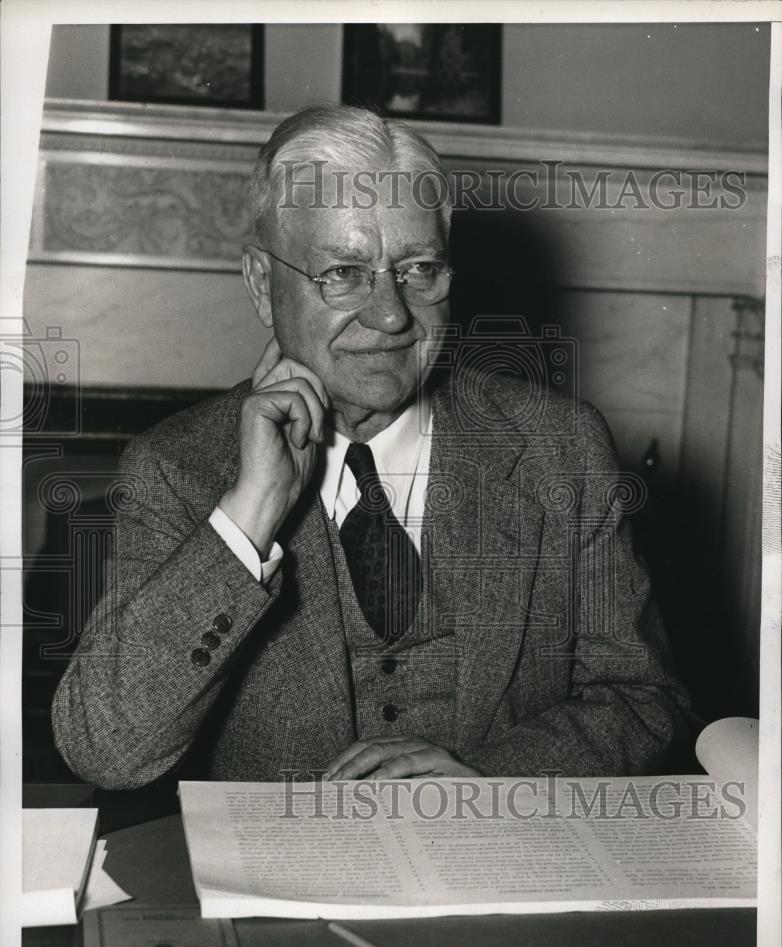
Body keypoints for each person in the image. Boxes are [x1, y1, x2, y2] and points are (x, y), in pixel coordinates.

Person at [52, 104, 690, 789]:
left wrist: (487, 779)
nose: (390, 315)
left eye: (419, 268)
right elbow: (105, 752)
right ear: (263, 285)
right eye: (344, 273)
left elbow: (645, 700)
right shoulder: (178, 468)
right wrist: (251, 513)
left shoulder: (558, 448)